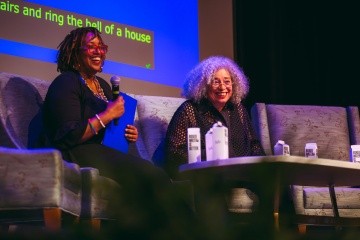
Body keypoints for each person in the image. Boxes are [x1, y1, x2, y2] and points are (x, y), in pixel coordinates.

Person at [42, 27, 195, 238]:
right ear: (75, 52)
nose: (99, 52)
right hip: (78, 152)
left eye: (102, 47)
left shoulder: (103, 86)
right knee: (151, 175)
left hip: (102, 150)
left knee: (153, 177)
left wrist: (126, 132)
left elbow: (109, 126)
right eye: (91, 47)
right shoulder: (66, 82)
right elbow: (67, 135)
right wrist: (107, 115)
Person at [161, 55, 265, 179]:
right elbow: (174, 152)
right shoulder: (189, 110)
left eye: (227, 81)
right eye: (216, 81)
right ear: (203, 86)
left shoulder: (239, 108)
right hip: (208, 176)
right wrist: (210, 159)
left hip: (244, 173)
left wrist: (262, 166)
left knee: (277, 183)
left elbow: (254, 144)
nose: (222, 87)